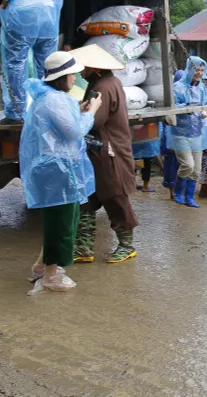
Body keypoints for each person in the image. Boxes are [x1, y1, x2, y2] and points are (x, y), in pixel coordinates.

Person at [20, 52, 100, 292]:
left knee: (62, 219)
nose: (75, 79)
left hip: (57, 169)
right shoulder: (54, 100)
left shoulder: (50, 98)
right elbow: (74, 132)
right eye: (72, 74)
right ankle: (51, 276)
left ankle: (41, 266)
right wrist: (91, 111)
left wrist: (79, 109)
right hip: (58, 170)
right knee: (62, 222)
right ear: (62, 76)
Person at [74, 45, 140, 264]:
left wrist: (80, 112)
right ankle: (83, 247)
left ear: (94, 67)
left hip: (108, 151)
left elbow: (96, 120)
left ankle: (126, 246)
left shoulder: (102, 86)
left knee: (115, 197)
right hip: (101, 150)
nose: (80, 70)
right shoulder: (109, 82)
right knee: (87, 199)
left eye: (84, 67)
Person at [166, 57, 207, 208]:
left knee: (197, 170)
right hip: (180, 132)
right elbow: (172, 107)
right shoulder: (177, 87)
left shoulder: (202, 88)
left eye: (201, 70)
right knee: (188, 164)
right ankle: (178, 192)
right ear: (189, 69)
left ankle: (189, 196)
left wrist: (206, 111)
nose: (198, 73)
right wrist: (186, 108)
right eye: (196, 70)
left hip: (197, 133)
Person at [160, 71, 185, 194]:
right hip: (172, 137)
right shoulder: (171, 97)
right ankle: (173, 191)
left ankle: (175, 191)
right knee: (173, 164)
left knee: (177, 164)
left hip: (177, 137)